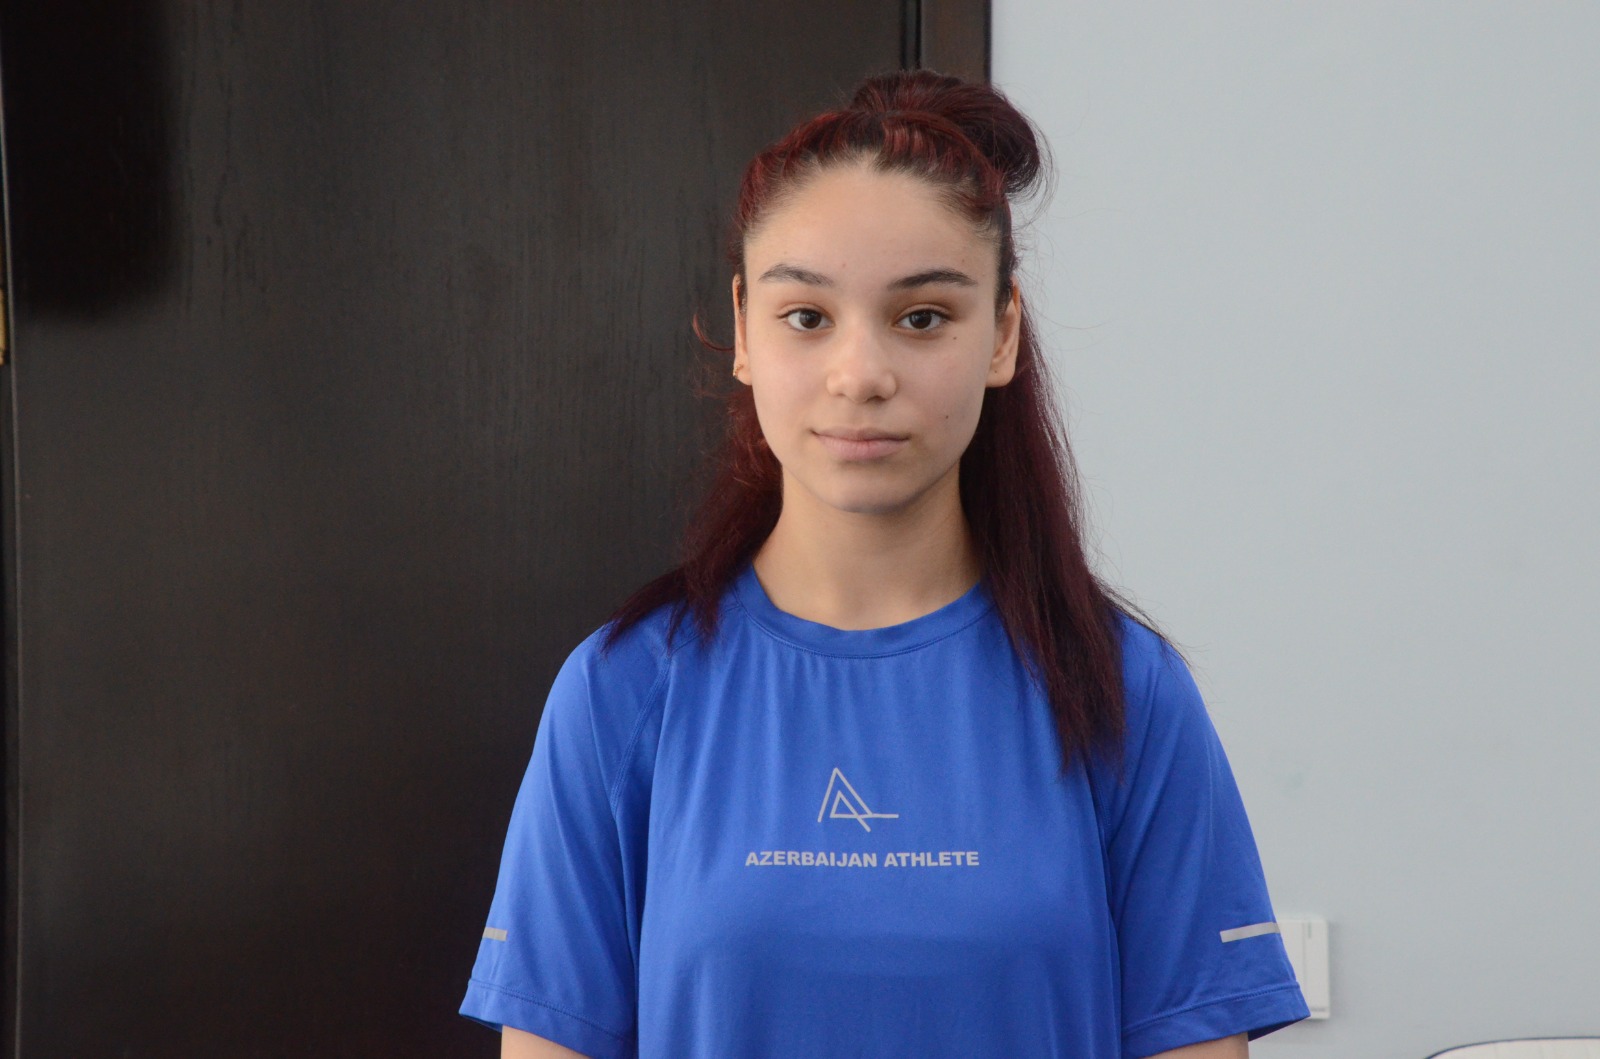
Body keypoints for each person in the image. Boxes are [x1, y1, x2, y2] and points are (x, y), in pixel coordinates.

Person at [460, 70, 1310, 1058]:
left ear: (1002, 333)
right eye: (806, 316)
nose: (860, 375)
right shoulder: (620, 693)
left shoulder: (1123, 689)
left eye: (922, 318)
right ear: (743, 331)